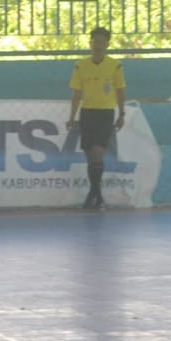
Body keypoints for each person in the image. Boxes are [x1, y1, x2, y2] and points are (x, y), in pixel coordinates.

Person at [67, 27, 127, 210]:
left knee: (98, 152)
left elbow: (120, 91)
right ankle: (96, 194)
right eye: (95, 42)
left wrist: (121, 114)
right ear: (90, 43)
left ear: (107, 44)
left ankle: (95, 194)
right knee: (89, 155)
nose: (98, 46)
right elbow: (77, 93)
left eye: (102, 42)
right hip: (87, 112)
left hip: (105, 113)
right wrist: (72, 117)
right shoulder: (81, 66)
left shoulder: (115, 66)